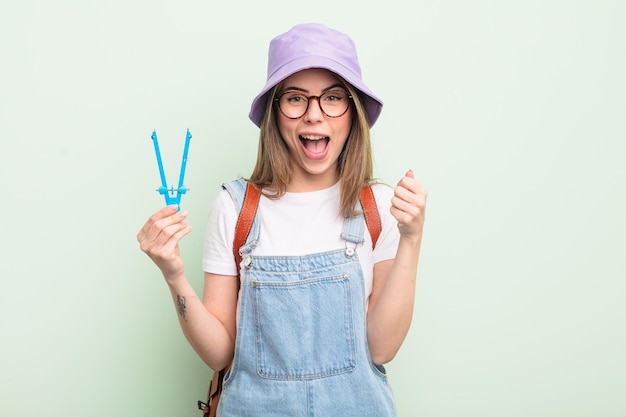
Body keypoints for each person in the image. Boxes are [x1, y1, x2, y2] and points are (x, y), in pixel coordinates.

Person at [137, 23, 427, 416]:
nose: (314, 115)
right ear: (275, 113)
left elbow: (383, 347)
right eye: (295, 99)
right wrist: (173, 274)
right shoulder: (235, 209)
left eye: (333, 98)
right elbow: (220, 353)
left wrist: (411, 239)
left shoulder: (379, 207)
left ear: (352, 112)